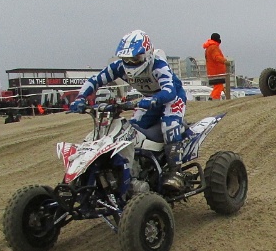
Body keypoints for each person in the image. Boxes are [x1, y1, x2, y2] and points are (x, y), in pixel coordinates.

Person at [70, 30, 189, 193]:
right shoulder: (119, 67)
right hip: (148, 99)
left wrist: (151, 100)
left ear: (147, 53)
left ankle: (176, 173)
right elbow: (95, 80)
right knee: (131, 131)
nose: (131, 63)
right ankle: (137, 169)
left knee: (169, 126)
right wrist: (80, 98)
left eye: (136, 58)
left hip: (172, 99)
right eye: (127, 59)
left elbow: (169, 91)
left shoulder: (158, 64)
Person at [203, 32, 231, 100]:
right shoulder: (214, 47)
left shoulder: (208, 48)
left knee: (218, 86)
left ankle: (213, 98)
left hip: (212, 71)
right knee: (218, 86)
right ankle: (213, 99)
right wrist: (225, 61)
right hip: (216, 71)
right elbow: (217, 57)